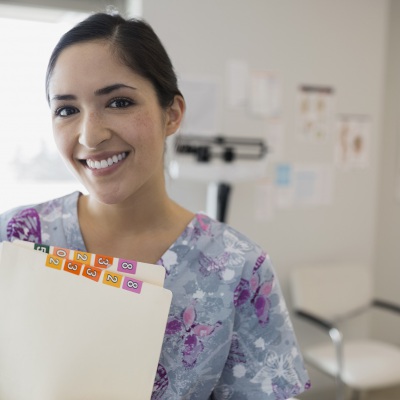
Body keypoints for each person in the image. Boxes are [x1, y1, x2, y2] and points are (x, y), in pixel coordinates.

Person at [0, 11, 310, 400]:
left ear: (172, 114)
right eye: (66, 110)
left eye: (119, 102)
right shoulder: (14, 239)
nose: (91, 135)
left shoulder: (239, 270)